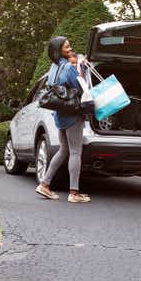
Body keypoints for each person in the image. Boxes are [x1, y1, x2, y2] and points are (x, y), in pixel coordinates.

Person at [35, 36, 91, 203]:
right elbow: (80, 87)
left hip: (60, 114)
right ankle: (74, 193)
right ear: (58, 49)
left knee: (64, 150)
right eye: (66, 47)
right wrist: (82, 68)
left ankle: (44, 184)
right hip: (72, 114)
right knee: (75, 151)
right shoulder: (68, 68)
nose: (70, 47)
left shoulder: (53, 68)